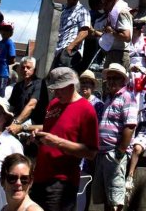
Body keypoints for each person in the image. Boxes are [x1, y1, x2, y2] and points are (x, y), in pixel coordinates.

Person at [31, 67, 98, 211]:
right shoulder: (54, 103)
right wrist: (39, 138)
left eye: (59, 88)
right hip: (39, 176)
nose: (55, 93)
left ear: (71, 86)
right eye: (54, 89)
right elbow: (53, 132)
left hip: (62, 182)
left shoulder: (86, 109)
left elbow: (91, 153)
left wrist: (57, 142)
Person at [91, 63, 137, 211]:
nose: (111, 81)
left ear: (123, 80)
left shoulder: (127, 97)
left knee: (115, 201)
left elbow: (130, 126)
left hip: (114, 154)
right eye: (109, 78)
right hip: (103, 153)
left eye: (115, 78)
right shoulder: (109, 98)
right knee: (106, 197)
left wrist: (120, 152)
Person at [53, 0, 90, 71]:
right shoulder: (64, 10)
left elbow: (84, 32)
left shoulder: (82, 10)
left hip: (71, 52)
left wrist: (70, 47)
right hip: (59, 50)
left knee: (64, 78)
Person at [8, 58, 46, 136]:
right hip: (17, 120)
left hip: (33, 124)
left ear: (34, 70)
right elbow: (11, 106)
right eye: (23, 67)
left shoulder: (40, 83)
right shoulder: (18, 86)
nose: (25, 70)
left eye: (28, 67)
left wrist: (16, 123)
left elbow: (31, 105)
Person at [98, 0, 133, 68]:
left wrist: (111, 31)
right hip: (113, 53)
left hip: (119, 54)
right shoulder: (114, 12)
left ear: (113, 0)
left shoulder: (121, 12)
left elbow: (127, 37)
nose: (103, 7)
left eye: (105, 3)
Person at [0, 24, 17, 95]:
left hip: (2, 74)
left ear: (11, 33)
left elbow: (13, 59)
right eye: (3, 29)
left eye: (7, 30)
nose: (4, 32)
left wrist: (3, 63)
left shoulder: (9, 43)